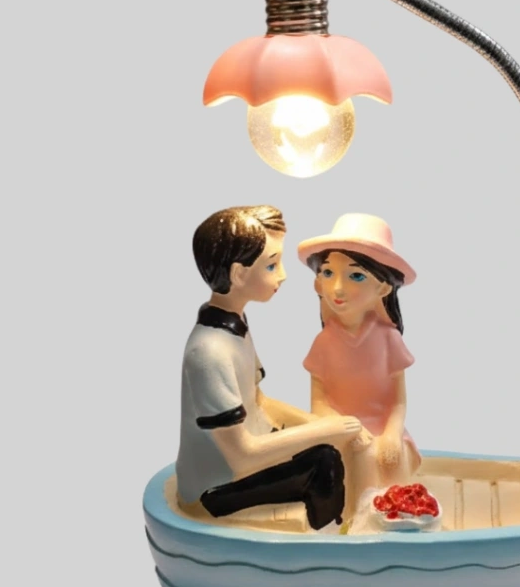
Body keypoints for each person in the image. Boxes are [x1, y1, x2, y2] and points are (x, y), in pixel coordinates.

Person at [175, 205, 362, 530]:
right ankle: (329, 540)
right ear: (239, 274)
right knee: (324, 462)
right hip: (217, 484)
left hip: (248, 452)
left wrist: (322, 425)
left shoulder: (235, 327)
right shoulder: (209, 352)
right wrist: (323, 431)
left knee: (330, 444)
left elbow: (259, 402)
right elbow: (242, 455)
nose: (283, 274)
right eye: (272, 264)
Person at [297, 214, 419, 518]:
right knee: (359, 458)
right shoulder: (324, 344)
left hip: (383, 427)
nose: (337, 288)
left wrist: (392, 433)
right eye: (328, 273)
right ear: (317, 283)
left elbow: (398, 401)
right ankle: (357, 523)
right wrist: (346, 427)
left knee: (391, 459)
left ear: (383, 288)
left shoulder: (388, 340)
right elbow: (319, 404)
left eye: (356, 276)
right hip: (340, 429)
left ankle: (398, 519)